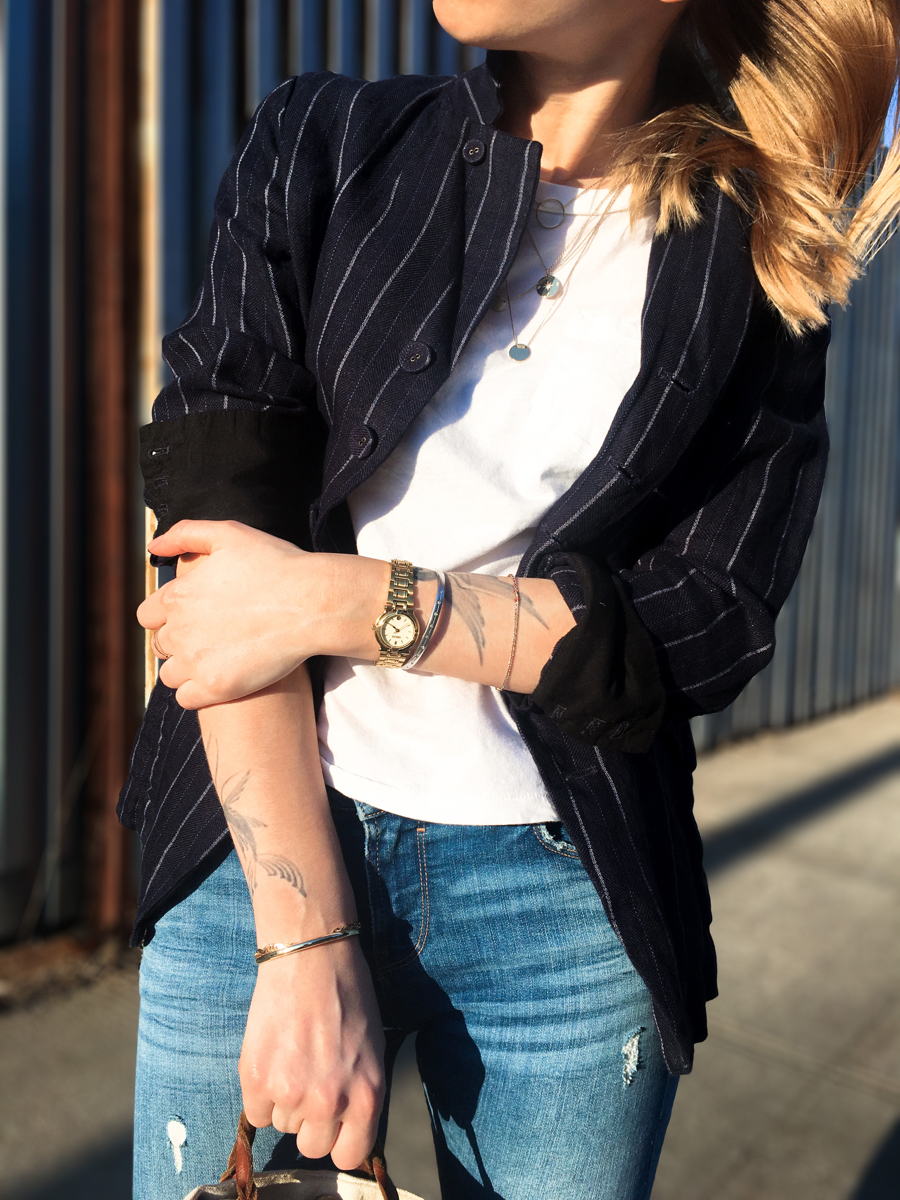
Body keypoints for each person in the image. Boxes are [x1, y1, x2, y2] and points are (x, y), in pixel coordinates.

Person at [124, 1, 900, 1197]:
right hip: (258, 854)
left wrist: (350, 602)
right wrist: (304, 935)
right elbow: (216, 537)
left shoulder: (751, 261)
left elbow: (709, 618)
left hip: (564, 899)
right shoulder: (327, 145)